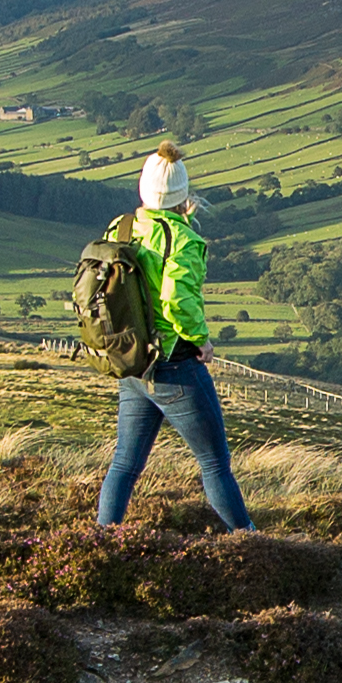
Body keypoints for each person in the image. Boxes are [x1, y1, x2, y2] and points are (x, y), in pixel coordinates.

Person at [95, 142, 257, 532]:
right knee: (214, 464)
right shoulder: (183, 240)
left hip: (134, 362)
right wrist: (201, 340)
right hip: (174, 365)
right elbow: (176, 301)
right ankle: (250, 543)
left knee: (125, 464)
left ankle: (99, 541)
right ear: (182, 193)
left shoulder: (121, 228)